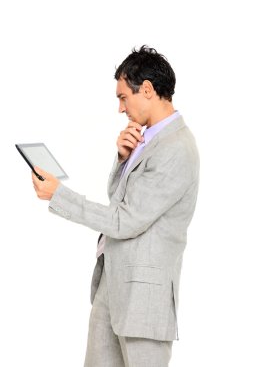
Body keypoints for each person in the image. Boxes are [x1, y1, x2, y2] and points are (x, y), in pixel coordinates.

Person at [32, 45, 200, 367]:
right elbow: (119, 200)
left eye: (123, 97)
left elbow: (125, 220)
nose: (120, 108)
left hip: (143, 300)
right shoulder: (147, 138)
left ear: (147, 90)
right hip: (113, 285)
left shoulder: (177, 148)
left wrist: (59, 195)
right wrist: (123, 161)